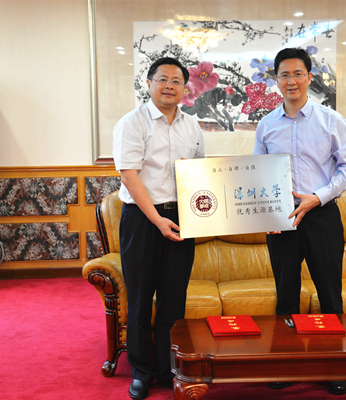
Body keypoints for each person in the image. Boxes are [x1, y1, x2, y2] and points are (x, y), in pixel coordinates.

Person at [254, 48, 346, 396]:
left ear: (309, 77)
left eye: (298, 74)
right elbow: (259, 173)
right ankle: (286, 364)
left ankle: (333, 367)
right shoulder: (266, 125)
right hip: (282, 217)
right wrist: (267, 212)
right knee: (285, 296)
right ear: (276, 80)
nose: (291, 81)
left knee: (329, 295)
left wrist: (318, 196)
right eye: (284, 75)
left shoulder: (331, 120)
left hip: (321, 215)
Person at [113, 57, 205, 400]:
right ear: (149, 83)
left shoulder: (192, 125)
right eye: (162, 79)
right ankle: (141, 371)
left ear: (185, 88)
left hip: (181, 218)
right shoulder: (132, 123)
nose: (169, 86)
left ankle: (169, 369)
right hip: (142, 219)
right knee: (139, 298)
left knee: (174, 298)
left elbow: (199, 174)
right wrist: (157, 219)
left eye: (176, 80)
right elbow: (129, 176)